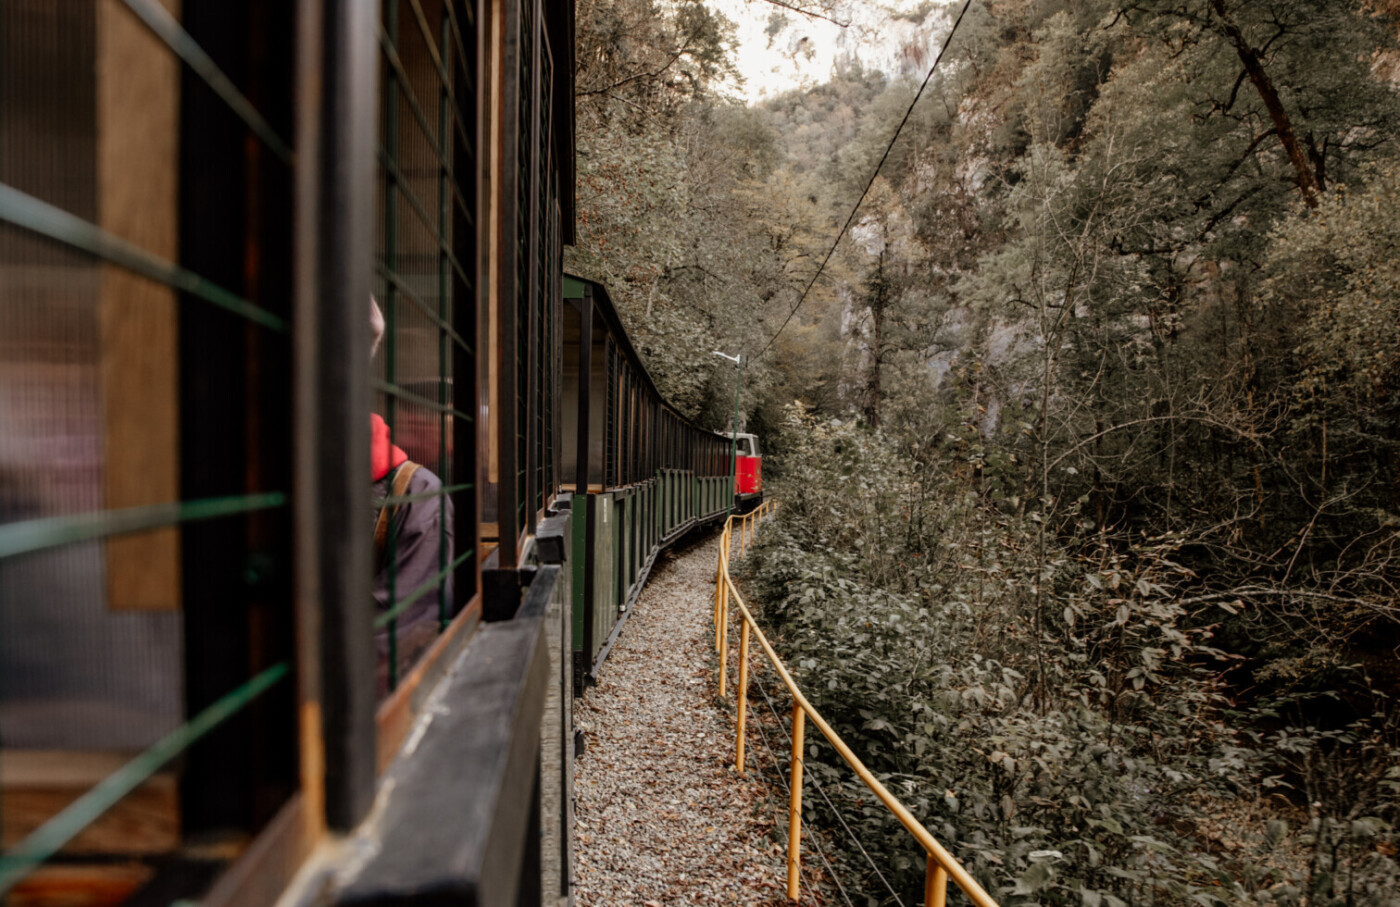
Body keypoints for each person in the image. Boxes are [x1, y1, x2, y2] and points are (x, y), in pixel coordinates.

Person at [370, 297, 453, 693]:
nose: (415, 422)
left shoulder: (417, 491)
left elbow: (404, 636)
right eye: (408, 411)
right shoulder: (420, 489)